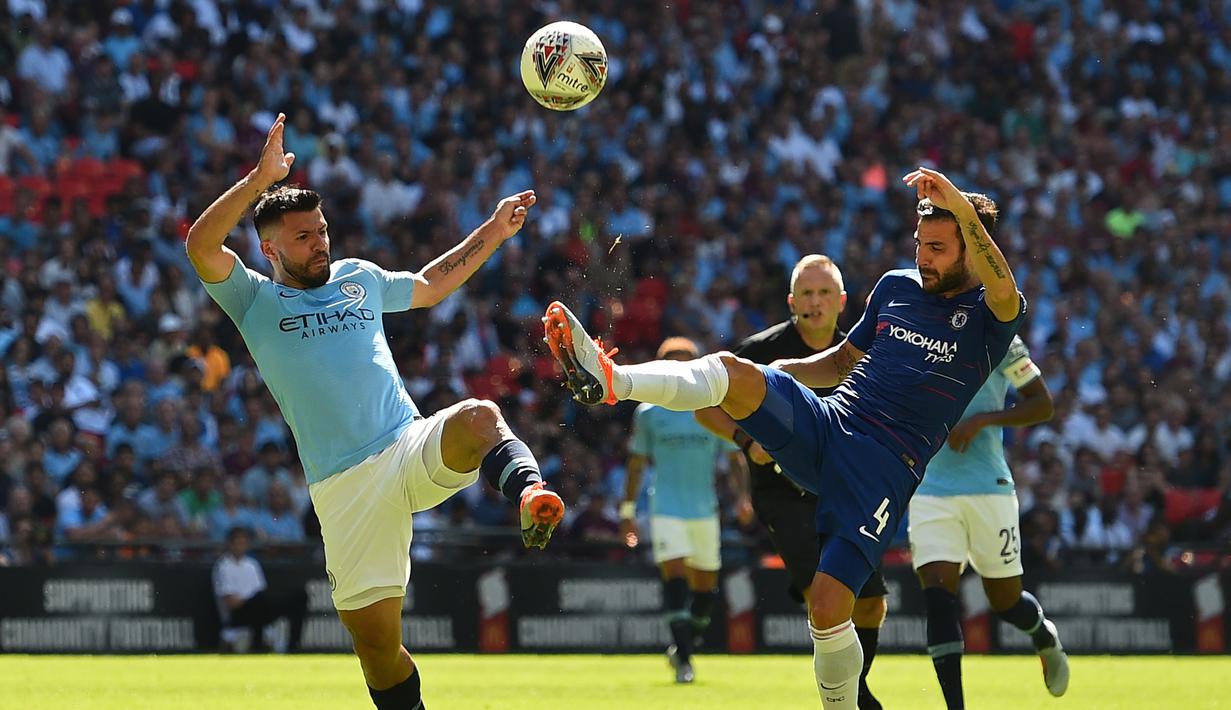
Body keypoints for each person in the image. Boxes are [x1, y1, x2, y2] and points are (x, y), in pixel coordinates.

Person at [545, 167, 1024, 708]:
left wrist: (958, 203)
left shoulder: (990, 318)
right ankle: (612, 381)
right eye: (919, 243)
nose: (923, 256)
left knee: (827, 607)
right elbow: (843, 359)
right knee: (732, 370)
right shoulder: (896, 287)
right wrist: (778, 373)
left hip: (886, 468)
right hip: (833, 421)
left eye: (938, 247)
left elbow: (1003, 282)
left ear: (971, 249)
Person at [186, 113, 564, 710]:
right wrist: (259, 179)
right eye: (305, 236)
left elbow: (429, 284)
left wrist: (492, 231)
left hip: (405, 444)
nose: (321, 243)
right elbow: (200, 245)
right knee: (378, 651)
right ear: (270, 246)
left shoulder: (357, 278)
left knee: (479, 415)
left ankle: (530, 495)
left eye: (322, 229)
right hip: (344, 488)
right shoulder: (252, 298)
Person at [694, 255, 887, 709]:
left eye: (824, 294)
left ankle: (855, 688)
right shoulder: (759, 351)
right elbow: (704, 406)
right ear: (791, 300)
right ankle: (851, 697)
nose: (815, 302)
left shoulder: (860, 354)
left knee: (872, 602)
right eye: (806, 293)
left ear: (842, 302)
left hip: (845, 486)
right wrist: (745, 437)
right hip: (781, 490)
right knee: (823, 593)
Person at [910, 335, 1069, 707]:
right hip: (929, 489)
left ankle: (1043, 636)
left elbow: (1043, 405)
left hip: (989, 489)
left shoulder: (1001, 340)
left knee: (1006, 602)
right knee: (938, 597)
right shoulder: (913, 330)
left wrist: (982, 420)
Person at [620, 336, 748, 684]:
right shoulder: (648, 412)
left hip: (704, 508)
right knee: (675, 576)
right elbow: (635, 463)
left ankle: (683, 646)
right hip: (666, 507)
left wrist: (742, 497)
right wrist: (627, 510)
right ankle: (686, 662)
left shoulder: (711, 409)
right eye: (672, 362)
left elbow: (734, 457)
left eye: (685, 362)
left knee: (705, 589)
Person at [212, 526, 307, 652]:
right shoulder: (223, 566)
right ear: (230, 544)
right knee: (259, 601)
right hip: (238, 615)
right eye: (237, 542)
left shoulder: (252, 564)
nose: (240, 546)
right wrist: (252, 600)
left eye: (243, 542)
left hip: (258, 607)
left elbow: (260, 592)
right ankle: (257, 645)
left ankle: (293, 647)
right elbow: (231, 602)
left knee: (299, 597)